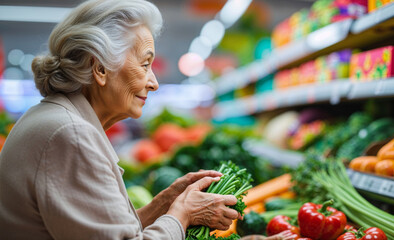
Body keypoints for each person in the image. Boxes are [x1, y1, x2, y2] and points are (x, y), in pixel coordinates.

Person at [0, 0, 241, 239]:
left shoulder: (57, 120)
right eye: (145, 64)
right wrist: (183, 214)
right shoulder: (70, 134)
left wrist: (165, 204)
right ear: (100, 68)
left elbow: (101, 231)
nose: (154, 83)